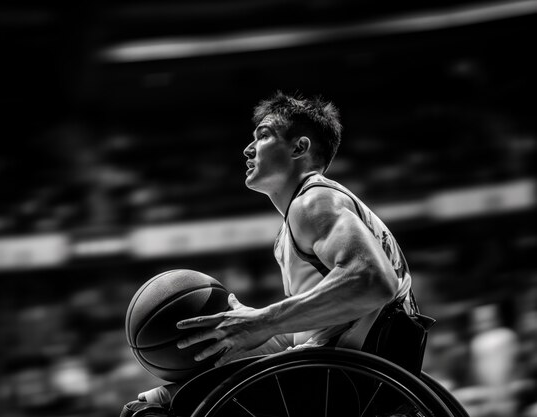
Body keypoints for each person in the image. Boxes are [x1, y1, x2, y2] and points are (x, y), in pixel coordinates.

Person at [122, 91, 416, 416]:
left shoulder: (314, 202)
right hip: (350, 375)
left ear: (299, 148)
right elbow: (306, 333)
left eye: (262, 136)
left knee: (151, 412)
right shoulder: (299, 220)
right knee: (158, 400)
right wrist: (236, 333)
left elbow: (372, 281)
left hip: (344, 382)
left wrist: (263, 321)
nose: (248, 149)